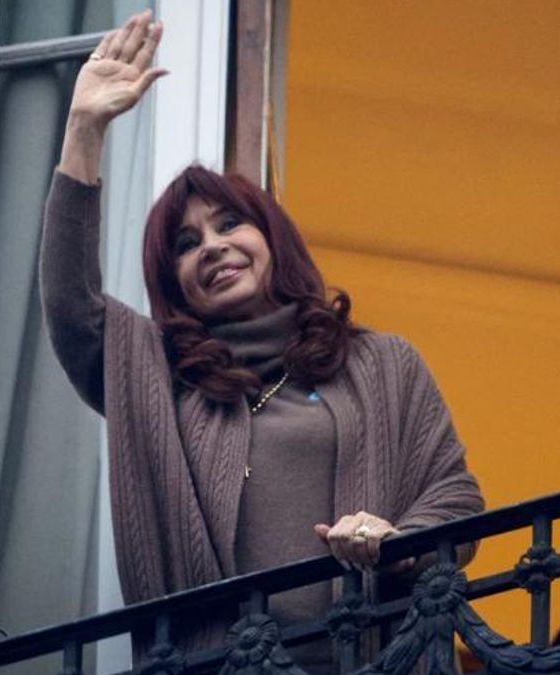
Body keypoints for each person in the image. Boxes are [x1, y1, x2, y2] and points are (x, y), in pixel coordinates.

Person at [40, 9, 484, 666]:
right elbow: (72, 308)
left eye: (229, 225)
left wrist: (397, 539)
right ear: (174, 284)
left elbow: (456, 498)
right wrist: (83, 131)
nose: (212, 246)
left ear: (272, 239)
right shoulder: (163, 380)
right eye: (186, 244)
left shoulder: (382, 364)